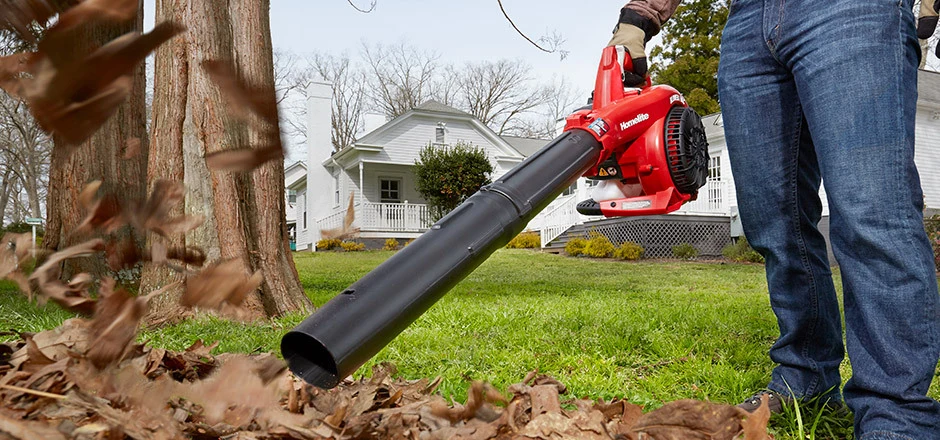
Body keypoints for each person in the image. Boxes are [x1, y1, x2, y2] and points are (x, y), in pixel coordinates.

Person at [609, 1, 940, 439]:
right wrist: (640, 15)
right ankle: (805, 377)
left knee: (873, 213)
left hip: (855, 10)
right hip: (748, 21)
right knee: (773, 222)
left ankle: (897, 415)